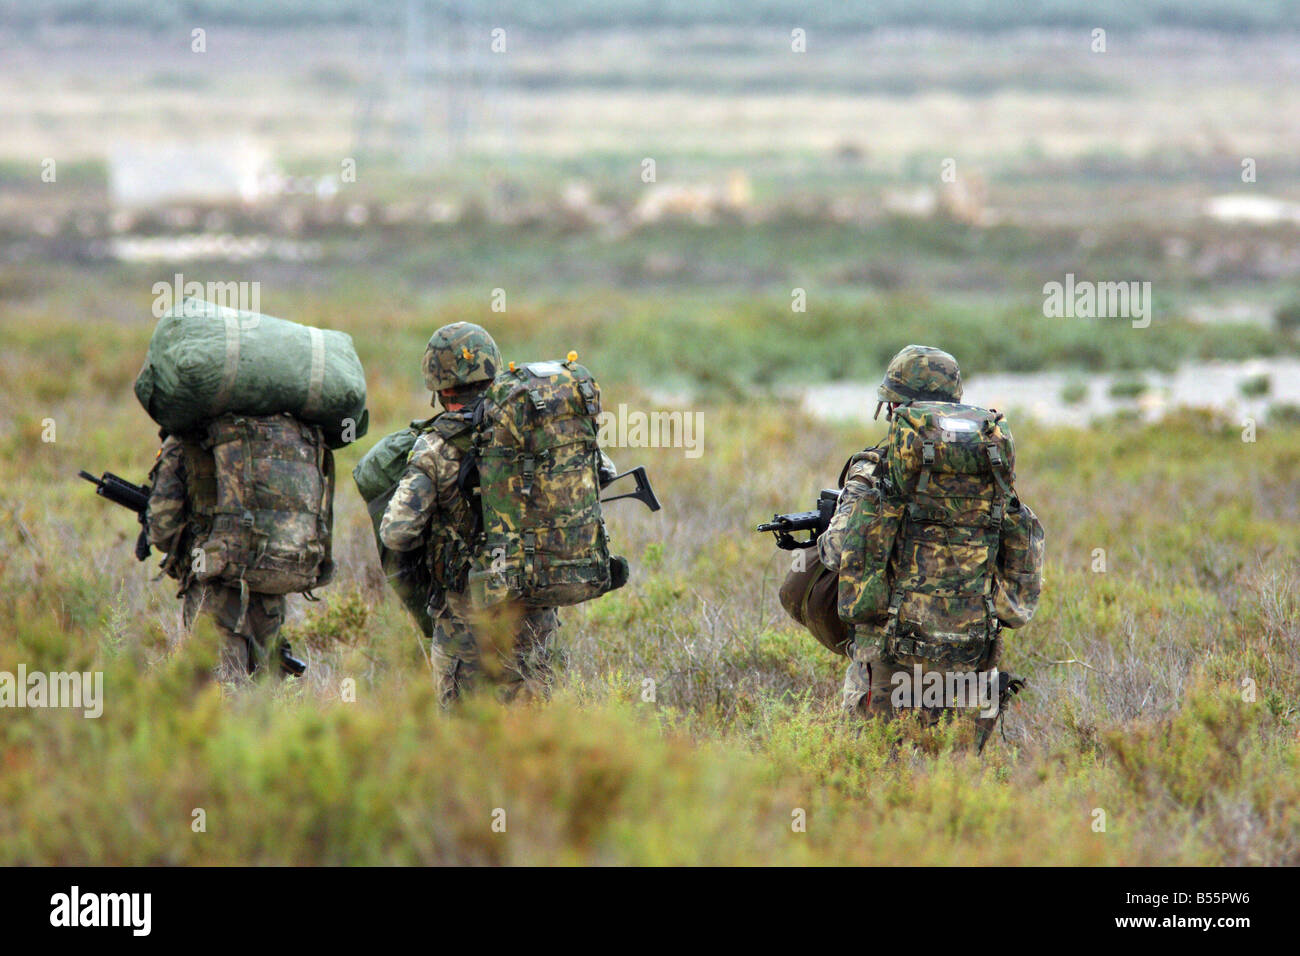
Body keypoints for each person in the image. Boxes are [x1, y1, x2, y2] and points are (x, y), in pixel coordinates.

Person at [380, 322, 616, 704]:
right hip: (535, 611)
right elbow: (603, 471)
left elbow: (396, 532)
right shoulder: (535, 428)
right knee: (533, 736)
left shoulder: (435, 446)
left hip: (467, 623)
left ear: (439, 386)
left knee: (465, 742)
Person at [818, 345, 1040, 747]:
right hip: (973, 655)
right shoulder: (992, 474)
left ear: (895, 409)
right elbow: (1022, 556)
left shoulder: (875, 468)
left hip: (889, 658)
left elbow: (837, 552)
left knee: (869, 780)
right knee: (957, 784)